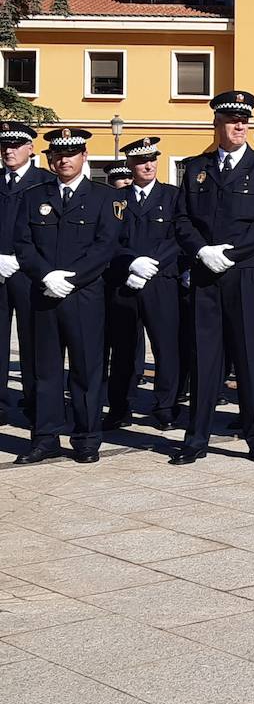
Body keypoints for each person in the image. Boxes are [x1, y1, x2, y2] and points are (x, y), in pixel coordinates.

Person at [172, 91, 254, 466]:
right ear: (217, 124)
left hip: (245, 273)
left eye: (244, 120)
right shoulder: (195, 167)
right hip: (206, 273)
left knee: (250, 356)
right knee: (205, 356)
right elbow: (182, 219)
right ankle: (196, 437)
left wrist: (231, 254)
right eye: (232, 120)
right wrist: (202, 251)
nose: (239, 126)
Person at [13, 128, 121, 464]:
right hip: (44, 294)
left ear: (84, 156)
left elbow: (106, 246)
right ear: (49, 158)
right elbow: (23, 243)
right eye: (57, 155)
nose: (64, 160)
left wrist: (71, 279)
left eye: (71, 153)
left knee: (86, 369)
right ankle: (45, 437)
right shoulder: (33, 196)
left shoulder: (104, 197)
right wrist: (46, 275)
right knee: (44, 370)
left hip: (84, 296)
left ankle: (87, 438)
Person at [105, 136, 181, 430]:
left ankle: (165, 406)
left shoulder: (173, 196)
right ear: (130, 164)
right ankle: (120, 407)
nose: (147, 165)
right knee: (123, 348)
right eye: (140, 161)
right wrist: (130, 263)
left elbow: (179, 236)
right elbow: (108, 240)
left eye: (151, 159)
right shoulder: (116, 200)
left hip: (162, 281)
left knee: (166, 347)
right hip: (125, 283)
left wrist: (152, 265)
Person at [0, 121, 58, 428]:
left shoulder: (45, 183)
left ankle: (36, 400)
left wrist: (24, 262)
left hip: (29, 274)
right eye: (4, 146)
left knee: (34, 339)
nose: (8, 151)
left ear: (30, 148)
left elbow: (49, 236)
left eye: (15, 145)